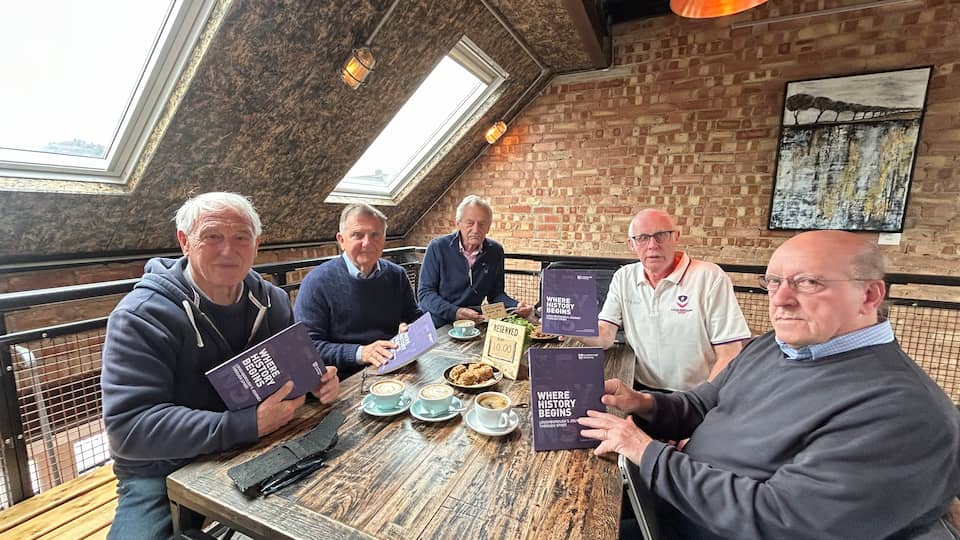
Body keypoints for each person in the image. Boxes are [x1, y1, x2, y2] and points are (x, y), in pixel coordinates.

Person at [579, 230, 960, 539]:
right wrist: (641, 403)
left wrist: (646, 452)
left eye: (807, 282)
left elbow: (779, 519)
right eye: (774, 282)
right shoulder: (773, 346)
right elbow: (700, 405)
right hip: (673, 500)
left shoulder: (902, 411)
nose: (780, 299)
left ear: (870, 295)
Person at [101, 192, 340, 540]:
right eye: (212, 236)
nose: (229, 250)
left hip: (257, 445)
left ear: (256, 244)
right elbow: (129, 429)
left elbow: (295, 369)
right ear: (185, 242)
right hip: (164, 469)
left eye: (241, 237)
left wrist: (317, 383)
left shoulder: (271, 301)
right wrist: (245, 423)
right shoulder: (141, 316)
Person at [576, 209, 750, 391]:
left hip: (695, 393)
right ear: (631, 244)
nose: (652, 245)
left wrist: (703, 401)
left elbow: (729, 352)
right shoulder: (623, 277)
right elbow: (604, 337)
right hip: (640, 390)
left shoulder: (710, 277)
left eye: (661, 235)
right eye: (642, 238)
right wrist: (569, 327)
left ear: (676, 236)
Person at [294, 203, 422, 379]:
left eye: (375, 235)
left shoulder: (396, 275)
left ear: (384, 239)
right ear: (341, 240)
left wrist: (410, 331)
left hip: (394, 368)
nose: (367, 243)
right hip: (342, 380)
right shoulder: (316, 282)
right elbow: (306, 348)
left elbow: (414, 317)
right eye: (357, 235)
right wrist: (360, 353)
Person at [418, 195, 533, 327]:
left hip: (472, 320)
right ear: (458, 224)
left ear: (488, 227)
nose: (476, 229)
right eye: (470, 223)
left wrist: (516, 306)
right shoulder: (437, 247)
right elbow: (425, 294)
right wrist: (455, 312)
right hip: (437, 321)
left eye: (482, 224)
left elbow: (496, 295)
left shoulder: (495, 251)